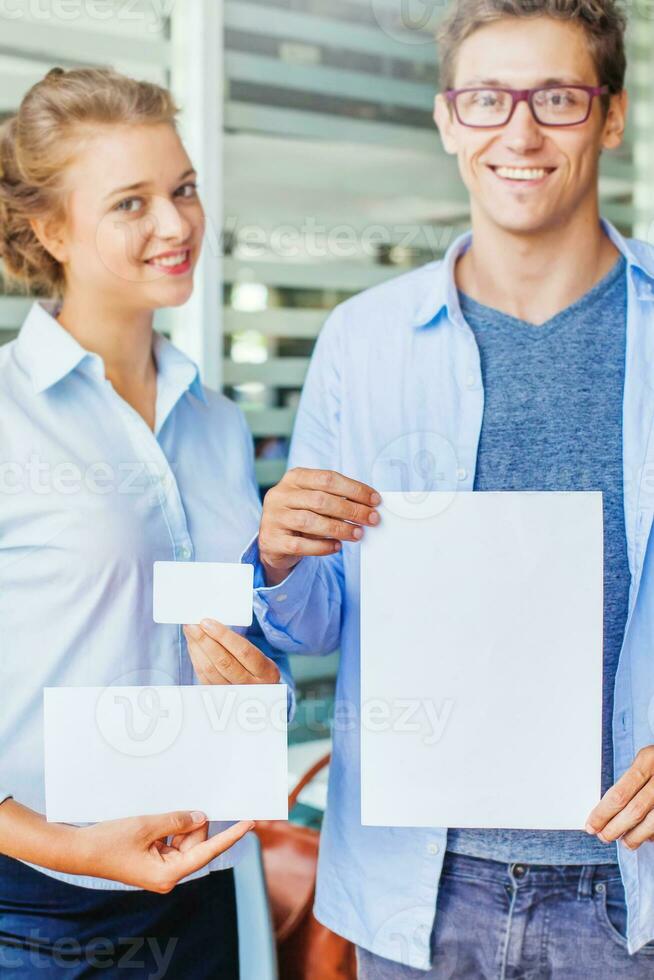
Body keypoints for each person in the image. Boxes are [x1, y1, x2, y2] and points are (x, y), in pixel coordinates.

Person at [189, 0, 654, 975]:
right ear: (448, 119)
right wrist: (275, 553)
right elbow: (315, 621)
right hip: (419, 891)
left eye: (557, 98)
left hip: (633, 892)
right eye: (487, 99)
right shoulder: (364, 339)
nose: (518, 133)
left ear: (611, 116)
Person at [0, 67, 291, 978]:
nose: (176, 226)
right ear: (51, 229)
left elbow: (213, 646)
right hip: (36, 913)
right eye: (131, 202)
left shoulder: (219, 422)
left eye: (184, 189)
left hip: (203, 887)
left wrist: (259, 692)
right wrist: (63, 845)